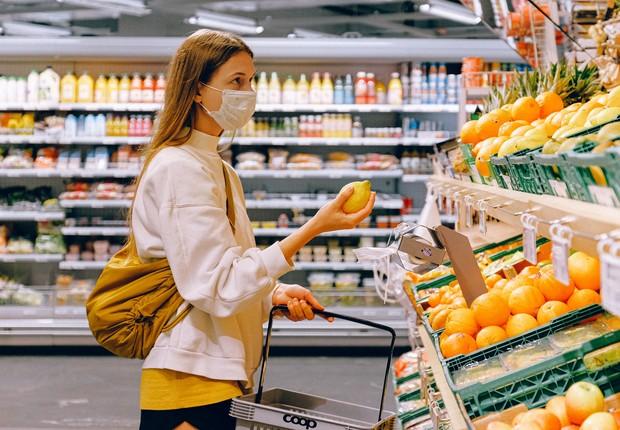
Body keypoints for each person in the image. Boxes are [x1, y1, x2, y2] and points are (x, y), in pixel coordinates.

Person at [131, 29, 375, 429]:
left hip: (218, 372)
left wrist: (270, 294)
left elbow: (222, 272)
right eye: (236, 81)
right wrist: (314, 227)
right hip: (190, 377)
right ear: (196, 90)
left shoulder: (218, 169)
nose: (248, 92)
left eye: (251, 80)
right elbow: (215, 285)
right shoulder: (180, 168)